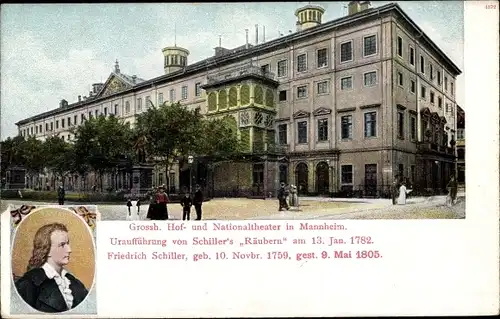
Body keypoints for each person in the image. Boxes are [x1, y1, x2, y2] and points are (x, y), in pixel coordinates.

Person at [14, 223, 88, 313]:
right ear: (47, 249)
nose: (69, 250)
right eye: (62, 245)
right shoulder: (29, 284)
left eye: (68, 243)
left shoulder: (75, 283)